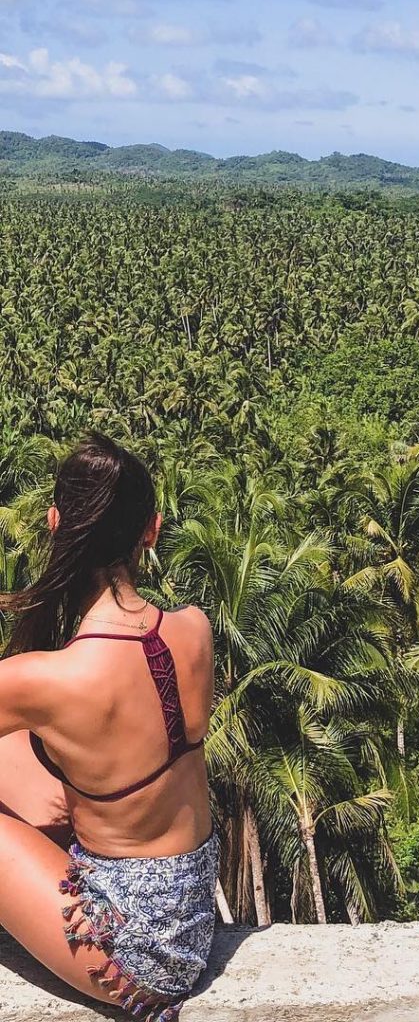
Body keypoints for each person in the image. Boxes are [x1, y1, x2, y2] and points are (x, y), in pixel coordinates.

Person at [0, 433, 219, 1022]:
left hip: (131, 958)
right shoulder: (195, 630)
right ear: (152, 528)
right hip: (192, 916)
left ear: (54, 523)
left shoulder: (43, 680)